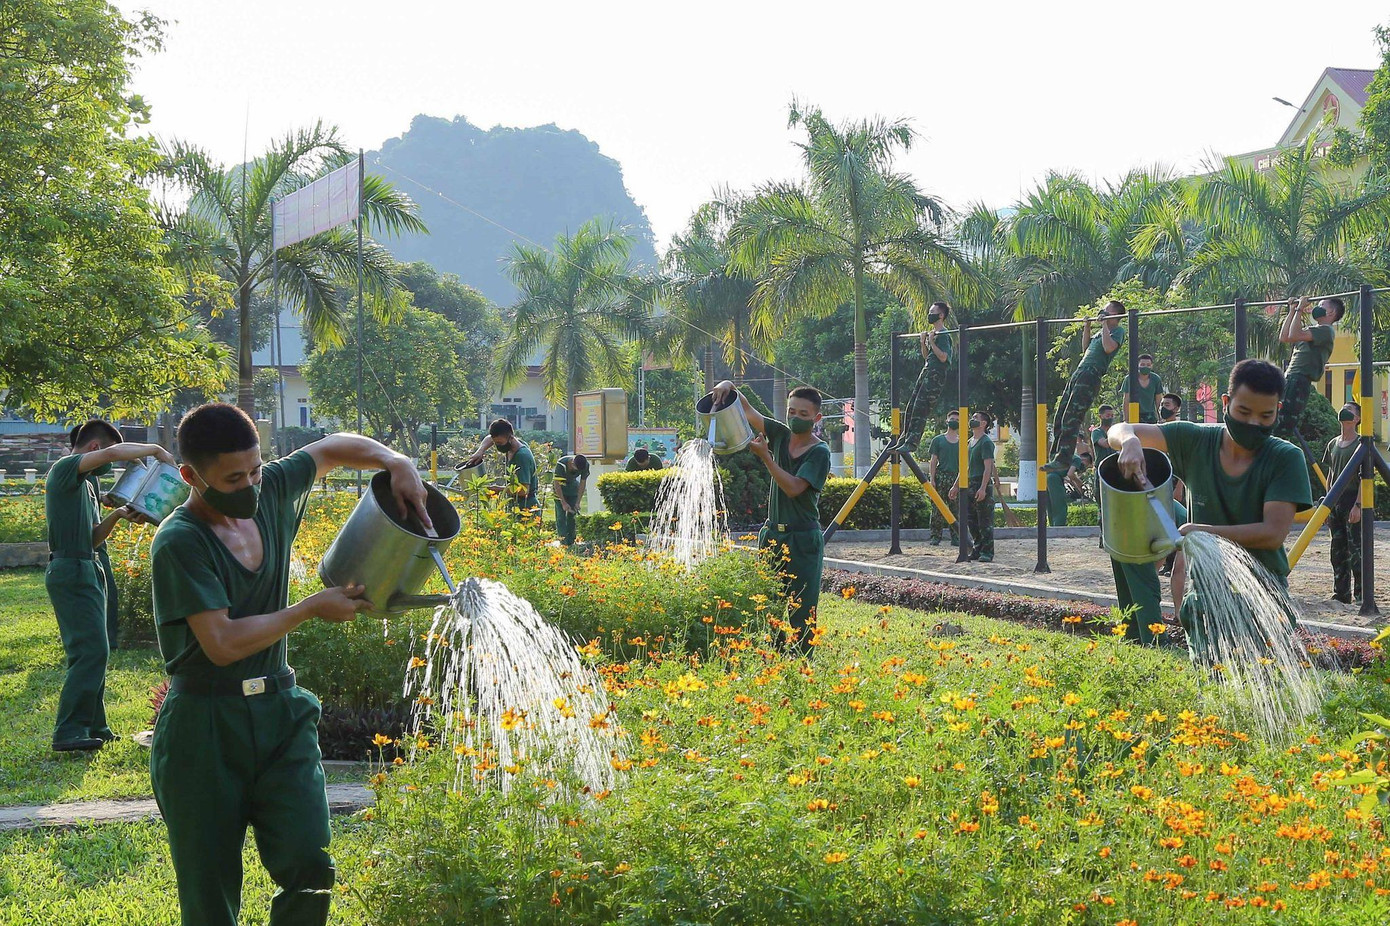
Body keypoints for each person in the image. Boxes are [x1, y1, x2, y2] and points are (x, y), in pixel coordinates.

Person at [149, 403, 430, 926]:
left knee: (309, 864)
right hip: (204, 727)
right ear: (190, 476)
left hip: (281, 713)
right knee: (209, 891)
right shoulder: (179, 541)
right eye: (234, 478)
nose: (251, 484)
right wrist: (308, 609)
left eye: (255, 469)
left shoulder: (272, 490)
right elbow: (223, 643)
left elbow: (330, 450)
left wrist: (395, 461)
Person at [1107, 360, 1312, 654]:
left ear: (1277, 411)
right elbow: (1121, 428)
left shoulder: (1285, 458)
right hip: (1207, 593)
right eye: (1244, 412)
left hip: (1263, 593)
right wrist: (1129, 442)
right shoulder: (1195, 441)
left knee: (1262, 671)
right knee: (1208, 677)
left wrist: (1200, 531)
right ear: (1226, 403)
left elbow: (1273, 533)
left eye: (1265, 416)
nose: (1254, 423)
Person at [45, 421, 169, 752]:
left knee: (98, 649)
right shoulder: (65, 469)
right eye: (108, 459)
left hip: (87, 564)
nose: (111, 465)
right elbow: (116, 451)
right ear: (95, 450)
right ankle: (69, 730)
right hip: (70, 570)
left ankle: (95, 725)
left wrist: (119, 516)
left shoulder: (85, 487)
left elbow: (92, 537)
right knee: (89, 651)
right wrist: (155, 450)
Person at [712, 379, 831, 654]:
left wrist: (766, 458)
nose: (796, 418)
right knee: (770, 603)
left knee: (801, 606)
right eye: (792, 412)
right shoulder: (779, 434)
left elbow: (793, 488)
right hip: (772, 535)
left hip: (802, 538)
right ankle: (775, 659)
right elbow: (748, 410)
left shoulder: (819, 452)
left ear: (817, 417)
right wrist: (729, 386)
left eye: (803, 414)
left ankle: (803, 662)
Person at [1045, 300, 1126, 473]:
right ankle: (1056, 457)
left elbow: (1108, 348)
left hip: (1091, 374)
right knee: (1060, 416)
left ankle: (1064, 459)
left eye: (1107, 312)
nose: (1102, 314)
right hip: (1080, 371)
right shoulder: (1100, 333)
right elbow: (1086, 349)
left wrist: (1104, 324)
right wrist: (1087, 327)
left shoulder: (1118, 331)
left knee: (1072, 417)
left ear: (1116, 316)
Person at [70, 425, 122, 651]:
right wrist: (155, 452)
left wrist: (103, 498)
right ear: (95, 448)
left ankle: (103, 641)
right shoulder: (73, 471)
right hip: (87, 549)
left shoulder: (89, 476)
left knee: (106, 594)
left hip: (93, 545)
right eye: (108, 451)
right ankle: (105, 642)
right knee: (103, 596)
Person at [1276, 295, 1344, 440]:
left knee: (1282, 424)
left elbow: (1294, 334)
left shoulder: (1326, 331)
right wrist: (1292, 310)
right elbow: (1285, 337)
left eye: (1322, 305)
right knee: (1275, 417)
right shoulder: (1313, 330)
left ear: (1331, 312)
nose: (1316, 307)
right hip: (1291, 377)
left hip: (1299, 379)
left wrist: (1300, 309)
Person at [898, 302, 954, 453]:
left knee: (920, 409)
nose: (930, 314)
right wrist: (924, 343)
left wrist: (932, 342)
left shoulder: (943, 335)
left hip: (936, 375)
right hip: (927, 372)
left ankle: (912, 443)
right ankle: (904, 439)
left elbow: (943, 357)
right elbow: (927, 356)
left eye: (932, 312)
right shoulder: (934, 334)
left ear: (941, 315)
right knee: (911, 407)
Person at [1323, 401, 1363, 604]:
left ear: (1357, 419)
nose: (1344, 411)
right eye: (1344, 408)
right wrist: (1328, 503)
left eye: (1350, 410)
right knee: (1337, 551)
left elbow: (1366, 480)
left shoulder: (1361, 445)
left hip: (1352, 498)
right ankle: (1341, 593)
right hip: (1335, 501)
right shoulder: (1332, 443)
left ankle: (1361, 594)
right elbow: (1331, 473)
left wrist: (1358, 505)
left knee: (1356, 551)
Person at [460, 418, 538, 517]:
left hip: (527, 509)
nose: (497, 446)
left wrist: (497, 489)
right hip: (514, 506)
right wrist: (480, 451)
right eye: (495, 442)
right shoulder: (514, 444)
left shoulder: (521, 456)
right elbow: (489, 438)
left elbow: (523, 490)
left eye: (500, 443)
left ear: (510, 438)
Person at [950, 410, 996, 563]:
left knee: (984, 520)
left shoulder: (986, 442)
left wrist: (983, 488)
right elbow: (965, 467)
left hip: (980, 482)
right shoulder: (969, 442)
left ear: (984, 423)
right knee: (971, 520)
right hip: (969, 483)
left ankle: (987, 552)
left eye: (976, 418)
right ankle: (977, 548)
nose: (972, 420)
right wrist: (956, 486)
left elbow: (988, 467)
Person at [926, 411, 961, 546]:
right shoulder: (938, 440)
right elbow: (933, 461)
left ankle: (956, 537)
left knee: (955, 509)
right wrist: (932, 479)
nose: (954, 421)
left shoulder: (963, 442)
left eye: (957, 419)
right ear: (947, 421)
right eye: (952, 419)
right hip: (941, 476)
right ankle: (935, 536)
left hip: (956, 478)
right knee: (937, 509)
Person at [552, 453, 590, 546]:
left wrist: (578, 502)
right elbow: (557, 484)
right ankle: (563, 541)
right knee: (561, 516)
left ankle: (571, 541)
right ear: (572, 463)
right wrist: (563, 502)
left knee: (572, 515)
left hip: (572, 489)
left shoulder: (585, 465)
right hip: (560, 490)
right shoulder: (561, 464)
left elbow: (582, 483)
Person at [1119, 353, 1165, 424]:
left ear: (1151, 366)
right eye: (1142, 364)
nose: (1145, 367)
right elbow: (1126, 400)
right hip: (1134, 414)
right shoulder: (1130, 379)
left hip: (1150, 415)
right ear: (1138, 365)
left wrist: (1161, 417)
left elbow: (1159, 400)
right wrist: (1126, 419)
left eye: (1148, 365)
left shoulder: (1156, 379)